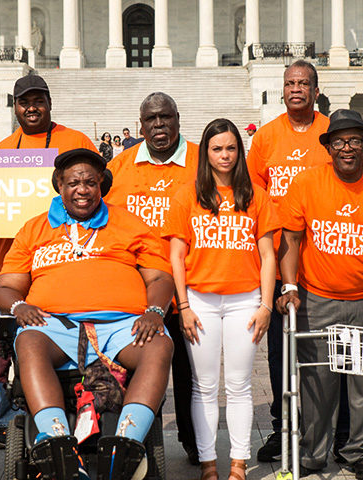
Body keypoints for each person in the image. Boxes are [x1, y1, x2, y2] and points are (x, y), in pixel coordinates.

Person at [0, 148, 174, 477]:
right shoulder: (34, 229)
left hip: (122, 325)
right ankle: (57, 440)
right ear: (59, 186)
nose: (83, 188)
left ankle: (126, 443)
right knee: (28, 342)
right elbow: (4, 287)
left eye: (91, 181)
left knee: (160, 344)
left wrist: (155, 310)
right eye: (74, 182)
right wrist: (19, 306)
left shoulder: (130, 223)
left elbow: (160, 277)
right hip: (54, 325)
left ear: (102, 185)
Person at [276, 109, 363, 480]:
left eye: (355, 140)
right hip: (318, 297)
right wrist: (289, 286)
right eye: (339, 141)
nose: (347, 148)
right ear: (329, 147)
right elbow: (290, 239)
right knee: (317, 380)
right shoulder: (306, 184)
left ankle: (361, 454)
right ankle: (313, 454)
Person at [0, 73, 96, 448]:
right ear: (15, 107)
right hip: (13, 262)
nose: (32, 108)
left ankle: (83, 407)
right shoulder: (0, 149)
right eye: (24, 102)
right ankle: (8, 421)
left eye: (38, 100)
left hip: (67, 262)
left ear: (49, 102)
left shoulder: (75, 141)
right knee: (11, 342)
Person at [163, 119, 279, 480]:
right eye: (217, 149)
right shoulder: (188, 194)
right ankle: (209, 463)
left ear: (239, 151)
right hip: (200, 302)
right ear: (206, 153)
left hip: (246, 301)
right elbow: (176, 256)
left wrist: (265, 305)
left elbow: (269, 255)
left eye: (230, 148)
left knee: (240, 385)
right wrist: (182, 306)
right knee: (204, 386)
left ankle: (240, 463)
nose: (224, 155)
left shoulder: (256, 194)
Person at [246, 59, 339, 464]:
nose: (296, 89)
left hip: (326, 256)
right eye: (290, 83)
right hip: (280, 258)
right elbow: (252, 194)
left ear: (316, 91)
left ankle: (332, 430)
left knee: (326, 349)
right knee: (281, 350)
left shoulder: (332, 133)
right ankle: (283, 427)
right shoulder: (266, 137)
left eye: (304, 83)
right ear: (282, 91)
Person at [105, 92, 201, 465]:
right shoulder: (121, 167)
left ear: (178, 119)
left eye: (166, 118)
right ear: (140, 124)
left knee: (192, 373)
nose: (159, 126)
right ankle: (145, 442)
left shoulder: (199, 161)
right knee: (144, 368)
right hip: (140, 290)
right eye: (151, 120)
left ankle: (197, 443)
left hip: (193, 284)